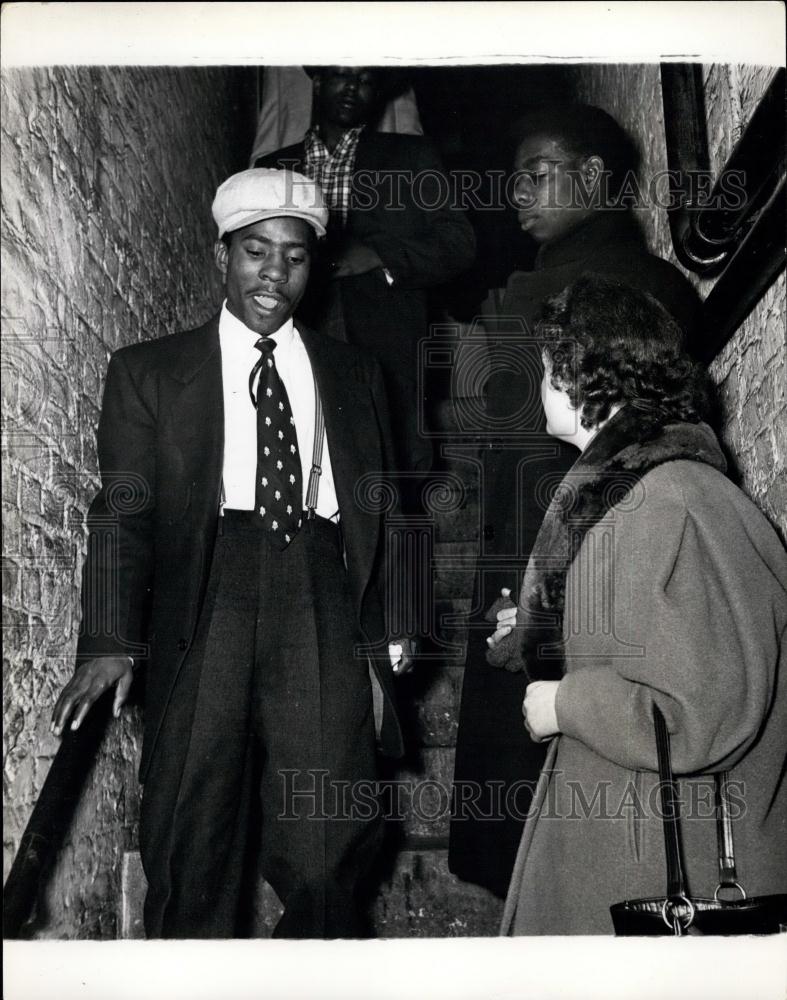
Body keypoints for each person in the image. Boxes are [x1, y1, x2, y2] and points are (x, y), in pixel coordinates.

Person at [51, 168, 410, 939]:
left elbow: (389, 513)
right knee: (192, 842)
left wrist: (391, 636)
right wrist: (110, 640)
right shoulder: (148, 371)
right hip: (205, 593)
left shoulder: (356, 374)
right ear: (221, 256)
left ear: (313, 267)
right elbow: (123, 513)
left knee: (327, 843)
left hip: (319, 588)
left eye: (294, 256)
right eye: (255, 251)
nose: (273, 274)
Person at [450, 103, 703, 897]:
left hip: (573, 559)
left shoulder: (606, 289)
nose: (517, 193)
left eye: (536, 173)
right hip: (538, 551)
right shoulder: (616, 281)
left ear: (591, 177)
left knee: (550, 812)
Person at [485, 274, 787, 934]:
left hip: (654, 871)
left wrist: (563, 702)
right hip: (631, 849)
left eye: (544, 368)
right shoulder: (637, 496)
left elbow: (700, 708)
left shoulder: (670, 501)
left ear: (581, 374)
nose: (538, 386)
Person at [255, 65, 477, 479]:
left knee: (390, 480)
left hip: (386, 351)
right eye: (342, 75)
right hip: (298, 338)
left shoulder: (411, 156)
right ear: (317, 81)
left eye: (367, 80)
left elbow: (459, 243)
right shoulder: (271, 169)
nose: (353, 88)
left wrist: (378, 255)